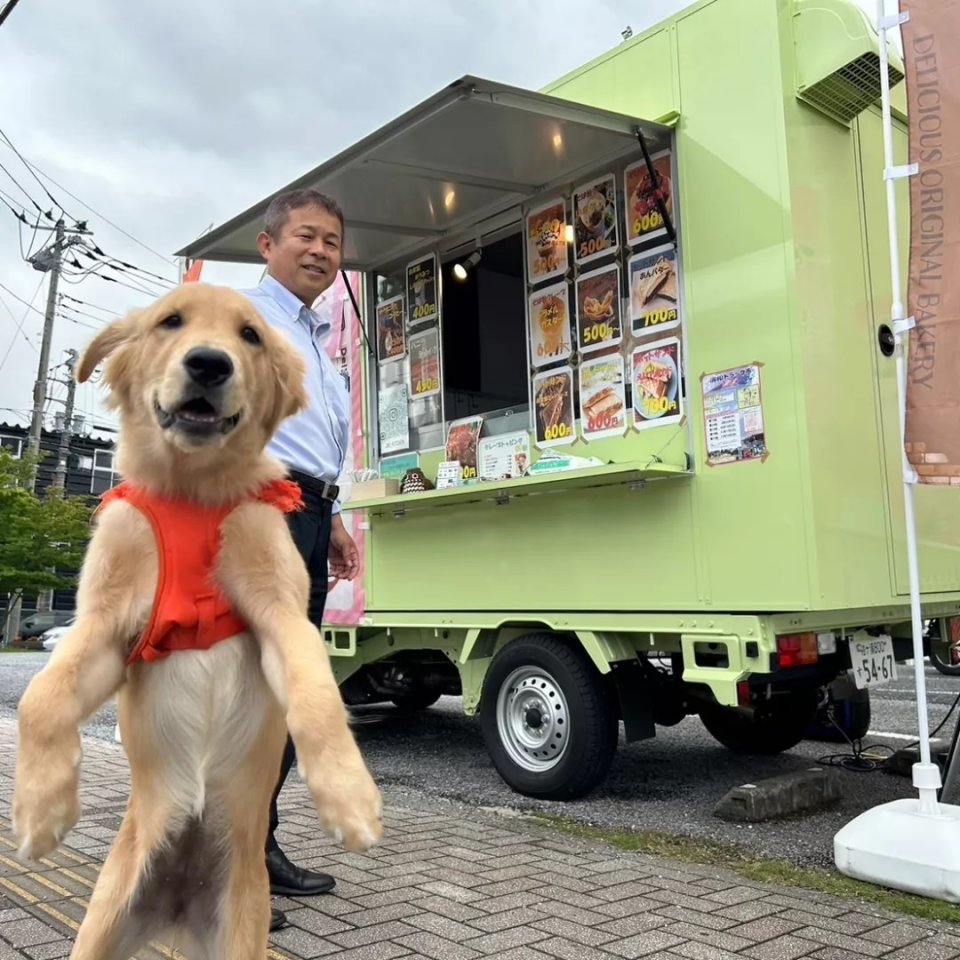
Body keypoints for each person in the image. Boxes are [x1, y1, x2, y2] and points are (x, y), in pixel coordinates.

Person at [240, 188, 360, 932]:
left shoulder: (316, 336)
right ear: (268, 244)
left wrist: (335, 517)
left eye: (333, 243)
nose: (320, 251)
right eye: (306, 237)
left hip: (309, 512)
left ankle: (258, 845)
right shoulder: (243, 321)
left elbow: (316, 441)